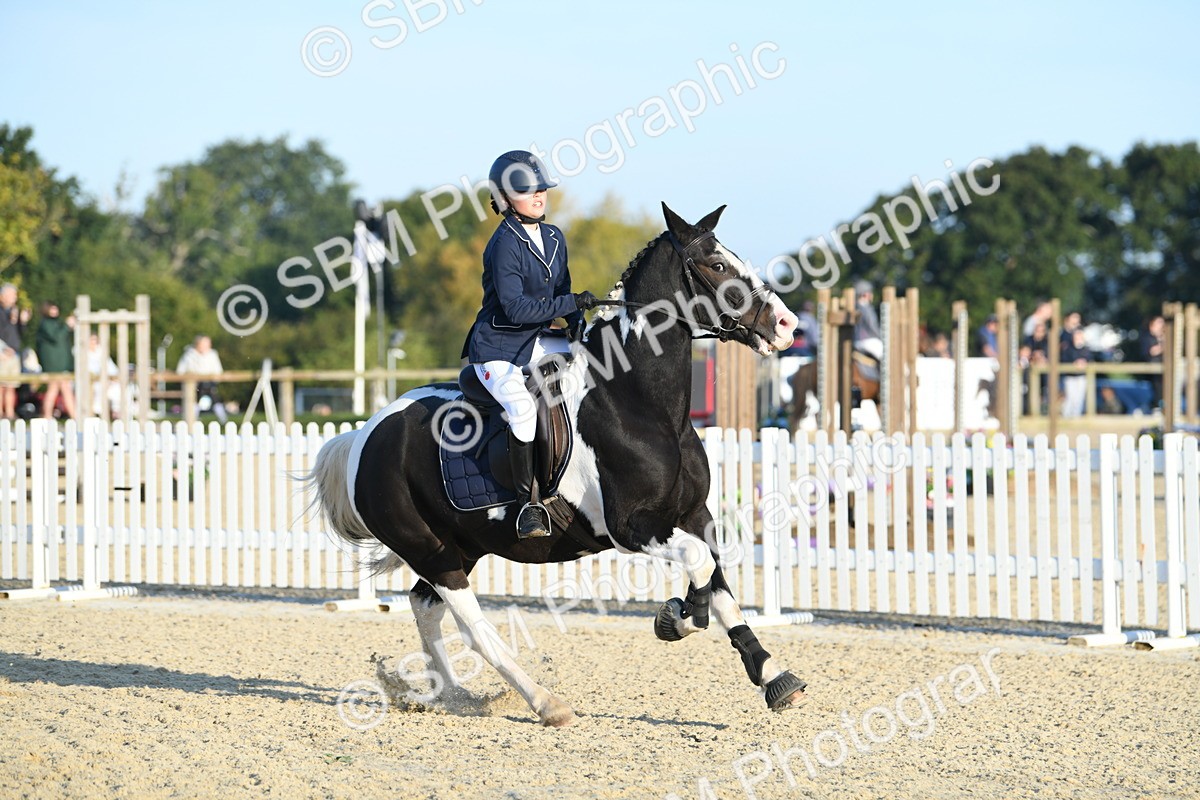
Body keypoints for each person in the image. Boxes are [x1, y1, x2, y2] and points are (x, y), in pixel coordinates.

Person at [465, 150, 596, 539]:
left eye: (541, 188)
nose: (539, 195)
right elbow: (517, 307)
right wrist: (570, 304)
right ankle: (528, 505)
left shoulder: (555, 236)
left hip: (538, 339)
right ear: (505, 200)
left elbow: (562, 290)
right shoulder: (503, 243)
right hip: (498, 347)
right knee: (522, 410)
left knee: (591, 372)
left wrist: (576, 323)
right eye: (528, 191)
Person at [34, 301, 76, 419]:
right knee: (58, 388)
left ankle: (49, 415)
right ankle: (71, 415)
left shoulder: (56, 323)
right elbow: (57, 337)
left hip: (59, 362)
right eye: (52, 309)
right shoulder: (46, 324)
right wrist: (67, 326)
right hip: (54, 363)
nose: (54, 311)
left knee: (57, 388)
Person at [176, 335, 228, 423]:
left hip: (210, 383)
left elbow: (218, 370)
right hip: (193, 384)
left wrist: (213, 379)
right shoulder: (189, 355)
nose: (207, 345)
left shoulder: (212, 355)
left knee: (215, 400)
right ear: (198, 344)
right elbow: (180, 370)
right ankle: (191, 420)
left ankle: (223, 420)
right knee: (194, 400)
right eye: (204, 343)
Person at [0, 283, 31, 420]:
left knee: (11, 386)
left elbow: (20, 334)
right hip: (2, 353)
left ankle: (10, 413)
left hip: (14, 354)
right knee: (1, 385)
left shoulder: (15, 312)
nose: (14, 297)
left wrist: (22, 321)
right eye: (12, 294)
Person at [1060, 325, 1091, 418]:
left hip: (1081, 377)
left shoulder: (1086, 349)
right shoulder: (1068, 348)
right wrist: (1074, 363)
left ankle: (1076, 417)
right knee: (1070, 398)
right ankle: (1066, 416)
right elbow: (1064, 360)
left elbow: (1090, 360)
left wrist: (1083, 363)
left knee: (1079, 399)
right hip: (1070, 377)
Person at [852, 280, 882, 360]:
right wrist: (880, 337)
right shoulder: (866, 308)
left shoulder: (854, 306)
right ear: (865, 294)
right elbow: (871, 325)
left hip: (856, 341)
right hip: (869, 341)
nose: (871, 295)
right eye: (870, 292)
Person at [1141, 315, 1164, 408]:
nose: (1162, 325)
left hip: (1162, 368)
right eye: (1159, 323)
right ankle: (1156, 405)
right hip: (1152, 369)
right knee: (1157, 387)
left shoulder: (1164, 337)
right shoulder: (1147, 337)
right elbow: (1151, 351)